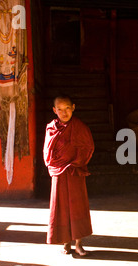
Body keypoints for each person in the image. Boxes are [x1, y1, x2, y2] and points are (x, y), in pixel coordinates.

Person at [43, 95, 95, 256]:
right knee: (61, 207)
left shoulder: (80, 127)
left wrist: (74, 163)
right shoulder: (51, 127)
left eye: (67, 108)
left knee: (77, 207)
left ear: (73, 107)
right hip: (58, 172)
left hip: (74, 171)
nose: (64, 112)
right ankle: (66, 242)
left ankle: (79, 243)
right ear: (54, 110)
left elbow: (88, 147)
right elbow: (47, 151)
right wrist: (56, 164)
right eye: (60, 109)